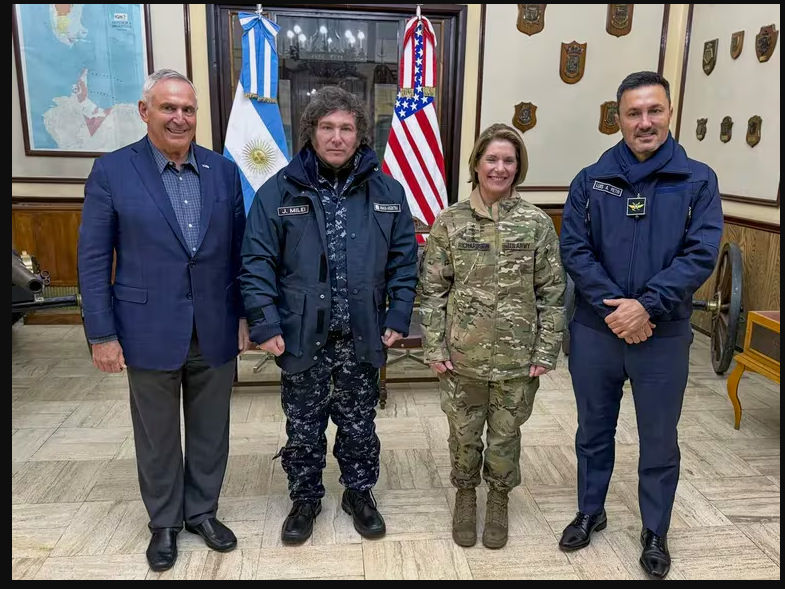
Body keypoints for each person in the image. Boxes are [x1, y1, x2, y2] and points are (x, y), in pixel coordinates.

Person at [77, 69, 250, 572]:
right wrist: (102, 334)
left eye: (188, 109)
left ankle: (202, 512)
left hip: (215, 325)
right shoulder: (113, 171)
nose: (179, 118)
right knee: (156, 434)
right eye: (168, 107)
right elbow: (93, 259)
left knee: (211, 430)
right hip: (145, 328)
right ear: (144, 111)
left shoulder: (223, 171)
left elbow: (240, 253)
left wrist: (244, 316)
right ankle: (165, 522)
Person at [558, 71, 723, 579]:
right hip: (597, 331)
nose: (645, 122)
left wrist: (646, 307)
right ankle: (591, 510)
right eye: (634, 113)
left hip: (662, 335)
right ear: (618, 118)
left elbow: (701, 254)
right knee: (593, 430)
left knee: (658, 439)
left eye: (654, 110)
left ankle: (655, 529)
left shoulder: (698, 181)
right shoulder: (591, 180)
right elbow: (575, 249)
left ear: (669, 113)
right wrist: (618, 309)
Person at [239, 86, 419, 545]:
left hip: (363, 334)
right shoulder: (278, 191)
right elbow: (256, 262)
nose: (337, 137)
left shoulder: (388, 192)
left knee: (360, 425)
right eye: (327, 127)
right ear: (311, 132)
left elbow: (404, 261)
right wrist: (265, 323)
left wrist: (398, 314)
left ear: (360, 135)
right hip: (301, 335)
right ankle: (305, 498)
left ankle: (359, 494)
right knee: (303, 427)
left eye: (346, 128)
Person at [418, 123, 566, 549]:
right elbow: (432, 290)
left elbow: (553, 292)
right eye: (492, 159)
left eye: (509, 160)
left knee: (505, 435)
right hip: (461, 356)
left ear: (518, 167)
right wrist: (434, 345)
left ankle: (498, 498)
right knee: (464, 434)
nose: (500, 168)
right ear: (477, 164)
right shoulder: (451, 221)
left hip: (517, 359)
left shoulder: (536, 223)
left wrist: (545, 350)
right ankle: (466, 495)